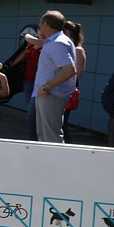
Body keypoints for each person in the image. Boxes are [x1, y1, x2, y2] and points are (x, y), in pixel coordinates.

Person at [32, 10, 78, 143]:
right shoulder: (54, 41)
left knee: (51, 135)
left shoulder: (58, 42)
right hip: (47, 93)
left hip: (51, 94)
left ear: (45, 23)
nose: (39, 26)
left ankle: (57, 163)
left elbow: (70, 70)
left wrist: (46, 87)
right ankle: (46, 163)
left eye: (40, 23)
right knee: (43, 134)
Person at [61, 21, 87, 143]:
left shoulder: (77, 50)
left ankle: (66, 150)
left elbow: (78, 74)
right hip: (58, 87)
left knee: (62, 123)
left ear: (68, 32)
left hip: (67, 89)